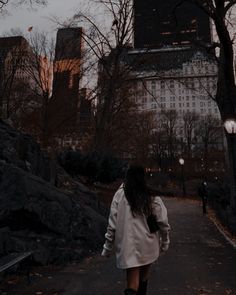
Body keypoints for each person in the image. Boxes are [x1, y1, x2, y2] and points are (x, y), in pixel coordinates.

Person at [101, 164, 170, 295]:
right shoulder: (151, 196)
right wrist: (165, 241)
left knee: (132, 284)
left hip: (128, 245)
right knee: (144, 278)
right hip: (148, 243)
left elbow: (112, 225)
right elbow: (163, 222)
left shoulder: (120, 195)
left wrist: (107, 247)